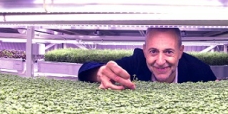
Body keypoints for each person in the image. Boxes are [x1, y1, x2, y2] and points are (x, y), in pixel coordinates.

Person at [77, 27, 216, 89]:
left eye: (168, 52)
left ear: (180, 52)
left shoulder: (199, 71)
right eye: (153, 51)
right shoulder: (136, 63)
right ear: (144, 51)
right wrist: (100, 72)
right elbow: (85, 69)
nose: (160, 61)